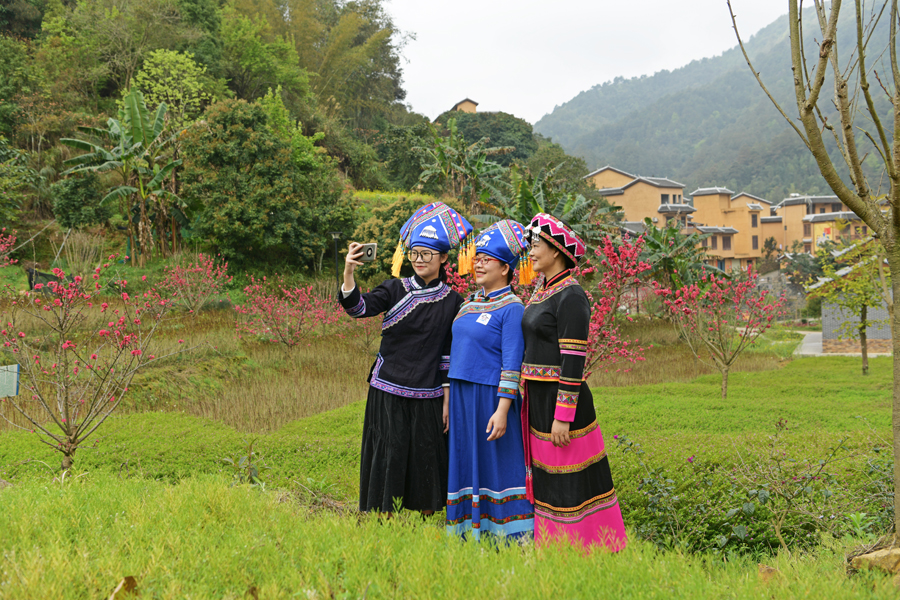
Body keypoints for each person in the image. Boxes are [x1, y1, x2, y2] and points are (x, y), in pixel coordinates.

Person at [338, 202, 473, 514]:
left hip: (428, 392)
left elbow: (447, 355)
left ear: (443, 258)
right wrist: (348, 272)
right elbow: (358, 308)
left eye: (427, 254)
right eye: (415, 253)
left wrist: (446, 399)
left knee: (426, 456)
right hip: (387, 387)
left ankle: (424, 517)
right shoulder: (393, 289)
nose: (419, 260)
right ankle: (382, 515)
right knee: (389, 453)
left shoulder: (454, 302)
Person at [519, 213, 627, 551]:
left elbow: (574, 360)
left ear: (556, 251)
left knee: (573, 479)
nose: (531, 252)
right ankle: (551, 546)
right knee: (549, 477)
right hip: (537, 400)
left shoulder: (572, 296)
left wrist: (563, 415)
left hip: (561, 403)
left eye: (536, 245)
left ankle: (588, 545)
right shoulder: (542, 291)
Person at [446, 220, 534, 540]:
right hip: (461, 397)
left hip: (491, 399)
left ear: (506, 269)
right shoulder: (468, 305)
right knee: (466, 461)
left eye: (487, 259)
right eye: (477, 258)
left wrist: (502, 408)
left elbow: (512, 362)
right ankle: (470, 532)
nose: (478, 263)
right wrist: (446, 399)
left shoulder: (512, 308)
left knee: (497, 462)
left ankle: (509, 534)